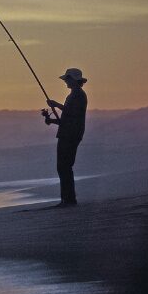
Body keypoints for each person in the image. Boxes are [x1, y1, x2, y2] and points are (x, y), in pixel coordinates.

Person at [43, 68, 88, 207]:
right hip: (67, 134)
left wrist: (56, 104)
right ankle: (66, 199)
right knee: (63, 167)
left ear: (73, 80)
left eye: (67, 79)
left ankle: (68, 200)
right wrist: (51, 120)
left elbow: (72, 114)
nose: (65, 82)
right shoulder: (73, 95)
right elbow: (67, 119)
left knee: (64, 166)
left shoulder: (79, 95)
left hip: (71, 135)